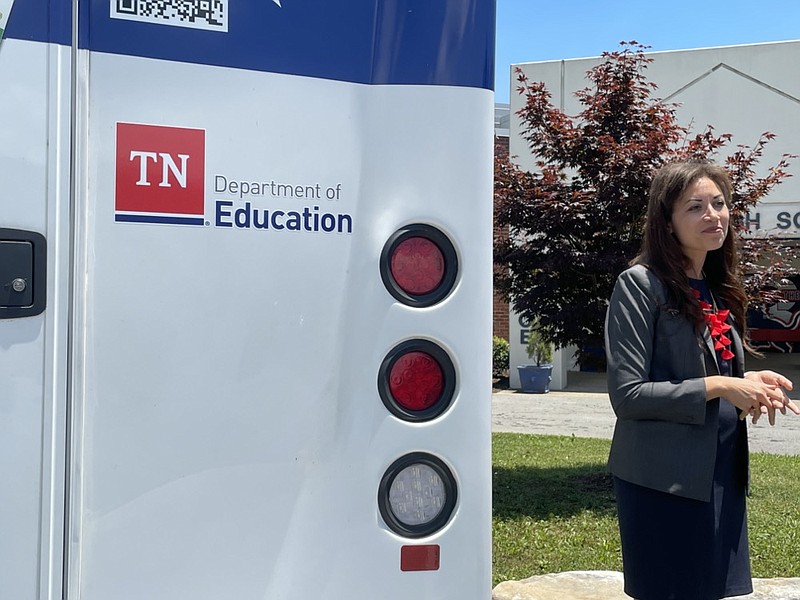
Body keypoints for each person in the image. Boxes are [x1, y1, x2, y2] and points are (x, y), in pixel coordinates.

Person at [604, 160, 799, 600]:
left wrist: (747, 381)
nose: (714, 215)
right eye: (695, 207)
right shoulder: (640, 285)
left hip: (719, 471)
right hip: (663, 478)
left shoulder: (714, 285)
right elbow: (628, 394)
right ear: (667, 222)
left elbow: (705, 372)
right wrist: (723, 387)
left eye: (719, 203)